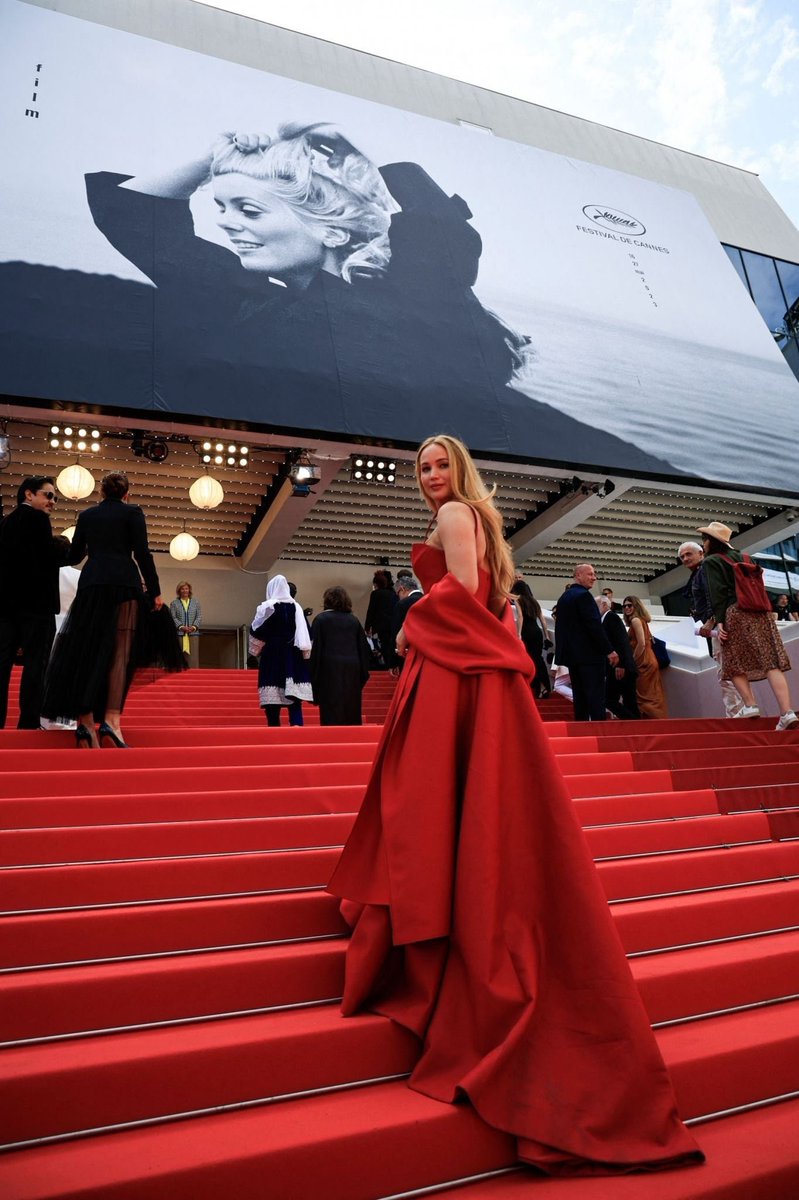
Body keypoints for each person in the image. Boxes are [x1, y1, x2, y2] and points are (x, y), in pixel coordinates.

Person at [328, 434, 701, 1174]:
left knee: (428, 803)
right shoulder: (467, 518)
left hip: (451, 676)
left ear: (459, 471)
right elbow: (483, 602)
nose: (431, 477)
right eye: (422, 469)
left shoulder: (459, 516)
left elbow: (462, 600)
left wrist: (409, 618)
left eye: (440, 465)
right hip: (456, 676)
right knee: (441, 803)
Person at [41, 471, 182, 747]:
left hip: (92, 583)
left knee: (87, 650)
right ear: (127, 493)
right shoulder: (133, 513)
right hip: (124, 585)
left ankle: (84, 724)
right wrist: (154, 591)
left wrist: (48, 558)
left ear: (101, 493)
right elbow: (142, 553)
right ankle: (111, 723)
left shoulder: (87, 516)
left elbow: (74, 555)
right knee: (120, 654)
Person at [699, 521, 798, 730]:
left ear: (711, 541)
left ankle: (750, 705)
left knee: (733, 661)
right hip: (760, 614)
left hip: (735, 613)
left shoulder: (711, 562)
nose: (703, 544)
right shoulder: (746, 557)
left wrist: (720, 621)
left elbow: (718, 594)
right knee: (771, 661)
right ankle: (787, 712)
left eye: (704, 539)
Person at [0, 476, 71, 729]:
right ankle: (28, 722)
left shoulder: (5, 522)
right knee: (35, 666)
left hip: (5, 607)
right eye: (48, 495)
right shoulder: (39, 520)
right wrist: (68, 551)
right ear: (28, 495)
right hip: (36, 607)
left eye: (55, 497)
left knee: (2, 665)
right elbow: (44, 558)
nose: (52, 501)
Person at [678, 540, 744, 717]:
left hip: (718, 626)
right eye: (682, 556)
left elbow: (716, 597)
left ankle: (737, 713)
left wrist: (711, 621)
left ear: (701, 553)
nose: (685, 559)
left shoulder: (706, 570)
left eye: (688, 554)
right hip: (719, 624)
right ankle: (741, 710)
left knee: (726, 671)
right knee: (729, 669)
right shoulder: (700, 573)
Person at [553, 564, 618, 720]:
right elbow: (594, 626)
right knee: (596, 698)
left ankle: (582, 731)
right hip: (590, 657)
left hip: (573, 659)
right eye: (590, 574)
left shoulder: (564, 598)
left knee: (580, 698)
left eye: (594, 574)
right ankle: (599, 733)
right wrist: (609, 650)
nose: (594, 577)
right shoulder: (584, 596)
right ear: (578, 576)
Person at [249, 575, 312, 727]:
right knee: (294, 697)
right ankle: (297, 726)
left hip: (272, 654)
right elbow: (307, 633)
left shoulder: (267, 607)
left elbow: (257, 630)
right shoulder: (297, 607)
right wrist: (306, 655)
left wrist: (255, 650)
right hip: (293, 654)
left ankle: (274, 728)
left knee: (272, 696)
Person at [310, 586, 371, 724]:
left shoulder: (320, 619)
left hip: (328, 668)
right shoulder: (354, 620)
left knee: (331, 705)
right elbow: (364, 648)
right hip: (352, 667)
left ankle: (331, 737)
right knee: (351, 704)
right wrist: (363, 671)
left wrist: (313, 675)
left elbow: (316, 649)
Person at [622, 595, 669, 719]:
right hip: (650, 660)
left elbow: (641, 643)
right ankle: (659, 722)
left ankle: (654, 723)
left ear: (636, 606)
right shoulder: (641, 620)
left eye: (629, 605)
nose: (626, 608)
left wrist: (632, 661)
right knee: (653, 695)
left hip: (643, 662)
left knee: (645, 697)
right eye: (624, 606)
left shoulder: (635, 620)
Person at [597, 594, 639, 718]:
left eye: (595, 605)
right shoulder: (606, 619)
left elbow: (621, 642)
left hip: (620, 668)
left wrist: (621, 665)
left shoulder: (611, 618)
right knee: (629, 702)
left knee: (610, 700)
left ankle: (634, 723)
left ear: (604, 604)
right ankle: (637, 728)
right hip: (619, 667)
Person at [510, 579, 551, 697]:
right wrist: (546, 636)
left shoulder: (518, 600)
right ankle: (545, 686)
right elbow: (542, 620)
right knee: (538, 659)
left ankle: (536, 686)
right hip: (537, 632)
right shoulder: (534, 601)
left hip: (526, 631)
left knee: (529, 659)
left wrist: (518, 634)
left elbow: (520, 617)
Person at [364, 568, 397, 669]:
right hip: (392, 624)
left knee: (383, 645)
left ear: (376, 584)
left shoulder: (375, 594)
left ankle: (387, 665)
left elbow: (371, 610)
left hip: (380, 625)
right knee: (390, 645)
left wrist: (367, 627)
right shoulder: (392, 593)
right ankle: (391, 665)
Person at [389, 574, 423, 671]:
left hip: (407, 655)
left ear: (402, 589)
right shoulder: (429, 600)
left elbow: (395, 633)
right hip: (427, 655)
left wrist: (393, 662)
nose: (398, 596)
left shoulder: (403, 604)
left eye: (397, 593)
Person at [169, 581, 202, 667]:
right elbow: (173, 617)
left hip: (193, 634)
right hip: (179, 634)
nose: (185, 591)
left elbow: (199, 616)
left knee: (193, 658)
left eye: (186, 588)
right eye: (182, 589)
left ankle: (194, 676)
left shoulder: (196, 603)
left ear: (189, 590)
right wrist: (181, 627)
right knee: (179, 656)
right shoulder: (174, 603)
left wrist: (194, 627)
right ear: (179, 591)